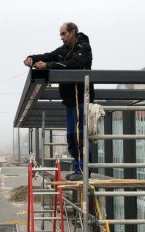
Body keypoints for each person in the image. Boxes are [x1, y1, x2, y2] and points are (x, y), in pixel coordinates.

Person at [23, 22, 95, 181]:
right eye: (61, 34)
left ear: (73, 32)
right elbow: (48, 55)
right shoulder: (62, 51)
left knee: (81, 136)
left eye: (64, 34)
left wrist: (49, 65)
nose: (61, 37)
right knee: (71, 137)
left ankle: (84, 170)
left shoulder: (84, 48)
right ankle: (78, 169)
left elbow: (74, 64)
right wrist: (32, 58)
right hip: (70, 101)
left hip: (82, 98)